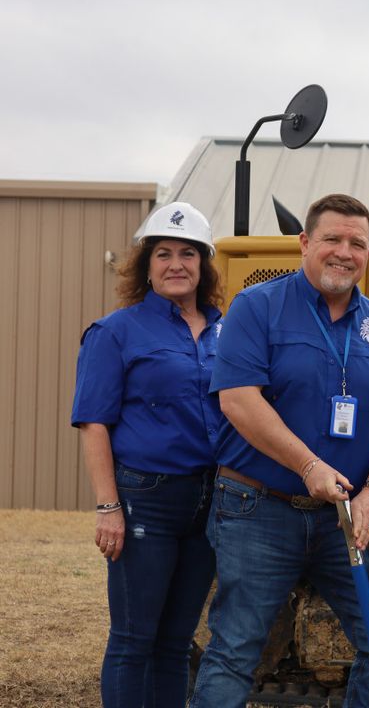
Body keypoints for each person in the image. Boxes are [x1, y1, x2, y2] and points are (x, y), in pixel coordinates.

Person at [190, 194, 369, 708]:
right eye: (332, 239)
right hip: (259, 509)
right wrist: (308, 464)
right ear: (304, 243)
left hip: (348, 517)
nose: (345, 252)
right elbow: (238, 400)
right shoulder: (258, 307)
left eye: (357, 244)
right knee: (235, 649)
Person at [71, 201, 223, 707]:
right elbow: (94, 422)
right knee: (135, 640)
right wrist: (108, 505)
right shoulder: (116, 332)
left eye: (187, 253)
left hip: (209, 501)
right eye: (163, 254)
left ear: (203, 264)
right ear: (146, 265)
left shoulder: (229, 331)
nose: (176, 264)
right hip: (146, 500)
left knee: (177, 643)